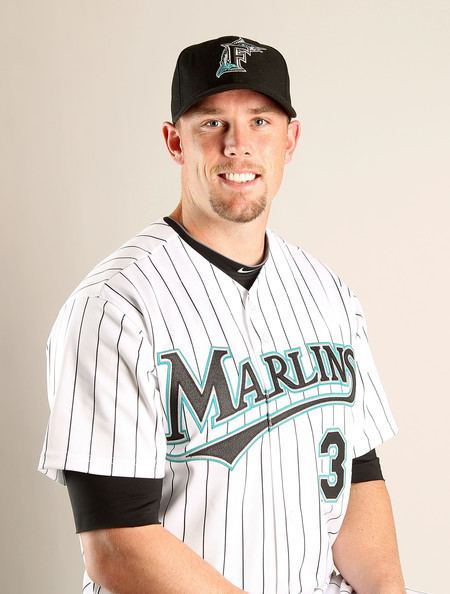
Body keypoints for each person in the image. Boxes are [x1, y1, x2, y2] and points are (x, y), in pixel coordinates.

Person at [38, 35, 409, 594]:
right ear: (174, 141)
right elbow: (117, 541)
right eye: (212, 123)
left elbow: (357, 473)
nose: (238, 145)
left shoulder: (328, 293)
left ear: (291, 139)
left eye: (260, 121)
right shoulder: (116, 306)